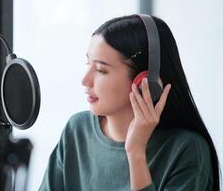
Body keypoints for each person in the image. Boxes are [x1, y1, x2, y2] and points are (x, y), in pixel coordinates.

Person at [39, 14, 220, 191]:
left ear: (144, 82)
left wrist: (136, 154)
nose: (85, 80)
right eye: (88, 64)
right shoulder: (77, 130)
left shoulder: (187, 151)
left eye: (102, 70)